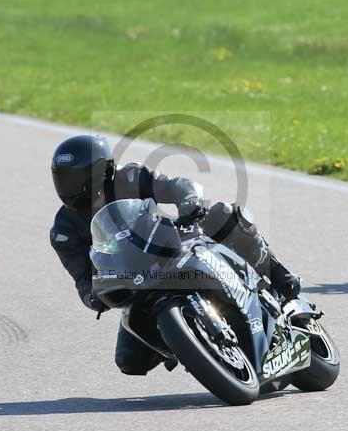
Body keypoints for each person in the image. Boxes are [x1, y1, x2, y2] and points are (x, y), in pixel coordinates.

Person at [49, 134, 300, 376]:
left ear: (102, 172)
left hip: (171, 245)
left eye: (76, 178)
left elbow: (176, 186)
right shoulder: (63, 231)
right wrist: (93, 297)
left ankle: (277, 273)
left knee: (223, 214)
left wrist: (189, 201)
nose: (70, 187)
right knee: (129, 361)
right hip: (136, 281)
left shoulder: (131, 176)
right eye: (63, 179)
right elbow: (83, 279)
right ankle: (188, 341)